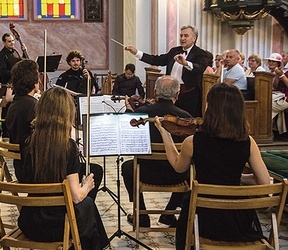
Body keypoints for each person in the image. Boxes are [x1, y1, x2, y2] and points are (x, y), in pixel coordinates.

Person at [154, 83, 270, 249]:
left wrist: (165, 134)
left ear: (210, 108)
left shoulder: (193, 141)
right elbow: (264, 183)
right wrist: (238, 179)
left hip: (202, 217)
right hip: (237, 219)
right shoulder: (248, 142)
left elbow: (178, 167)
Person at [17, 87, 109, 249]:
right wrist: (87, 185)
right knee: (87, 204)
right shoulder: (68, 147)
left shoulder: (27, 142)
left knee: (87, 209)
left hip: (30, 221)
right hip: (58, 225)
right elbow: (76, 196)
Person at [121, 75, 191, 228]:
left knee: (127, 167)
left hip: (145, 172)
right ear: (177, 94)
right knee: (192, 170)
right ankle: (169, 213)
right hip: (177, 175)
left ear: (155, 92)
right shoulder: (185, 118)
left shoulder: (141, 113)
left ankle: (142, 215)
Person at [125, 25, 207, 117]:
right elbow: (157, 60)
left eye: (186, 36)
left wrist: (186, 63)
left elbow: (200, 68)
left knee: (186, 121)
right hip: (169, 95)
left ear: (194, 38)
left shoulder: (200, 53)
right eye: (181, 36)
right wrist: (137, 53)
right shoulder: (174, 51)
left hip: (189, 95)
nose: (182, 38)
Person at [0, 33, 26, 137]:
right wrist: (16, 72)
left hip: (16, 83)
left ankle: (15, 127)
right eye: (9, 41)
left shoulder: (16, 52)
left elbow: (23, 63)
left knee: (16, 106)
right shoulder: (1, 55)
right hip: (7, 84)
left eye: (13, 40)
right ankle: (5, 131)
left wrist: (24, 52)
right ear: (4, 42)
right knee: (7, 109)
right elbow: (3, 72)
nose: (12, 43)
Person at [266, 53, 288, 135]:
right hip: (277, 95)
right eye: (270, 61)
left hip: (285, 97)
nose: (271, 63)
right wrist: (276, 76)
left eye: (273, 61)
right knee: (265, 102)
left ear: (278, 63)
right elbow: (275, 86)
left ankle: (267, 132)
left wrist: (281, 75)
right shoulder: (269, 72)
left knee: (268, 107)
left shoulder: (285, 72)